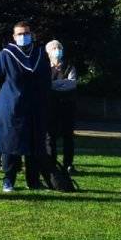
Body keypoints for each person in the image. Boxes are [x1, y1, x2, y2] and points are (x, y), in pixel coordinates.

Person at [0, 21, 53, 193]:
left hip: (34, 107)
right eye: (19, 34)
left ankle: (33, 181)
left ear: (31, 35)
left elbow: (46, 80)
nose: (23, 37)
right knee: (11, 145)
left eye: (26, 33)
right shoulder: (6, 55)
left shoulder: (39, 54)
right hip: (12, 108)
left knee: (34, 145)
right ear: (14, 36)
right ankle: (8, 180)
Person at [45, 39, 79, 175]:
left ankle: (68, 164)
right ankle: (51, 163)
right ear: (48, 52)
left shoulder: (70, 67)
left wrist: (55, 85)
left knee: (68, 137)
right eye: (54, 48)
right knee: (50, 136)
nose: (57, 50)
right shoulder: (45, 68)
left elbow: (72, 83)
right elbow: (46, 85)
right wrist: (61, 84)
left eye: (59, 47)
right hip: (51, 107)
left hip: (67, 107)